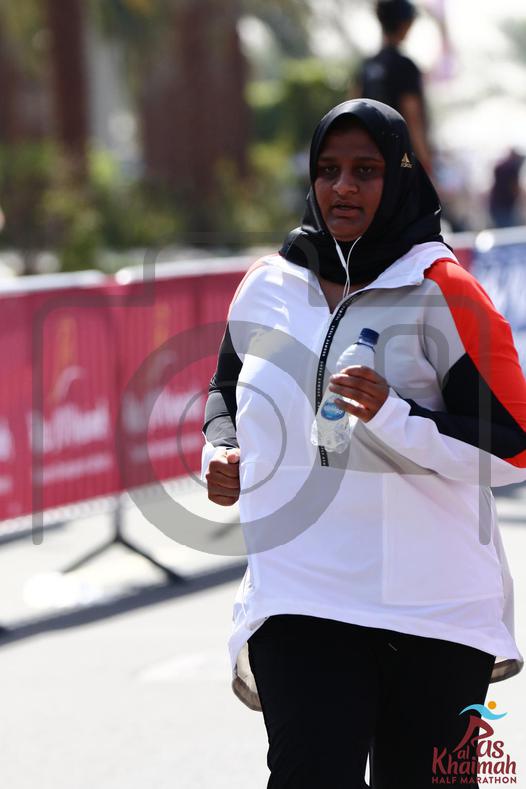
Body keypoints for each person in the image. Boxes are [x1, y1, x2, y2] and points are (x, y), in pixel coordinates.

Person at [201, 99, 526, 787]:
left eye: (366, 170)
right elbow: (225, 390)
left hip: (433, 608)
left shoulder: (444, 290)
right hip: (299, 597)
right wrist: (220, 450)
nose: (342, 187)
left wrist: (394, 415)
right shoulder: (266, 285)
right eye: (328, 169)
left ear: (401, 177)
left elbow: (513, 447)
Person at [356, 0, 432, 175]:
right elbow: (412, 118)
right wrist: (425, 161)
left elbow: (354, 105)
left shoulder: (367, 66)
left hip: (370, 155)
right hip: (399, 155)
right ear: (404, 24)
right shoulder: (405, 65)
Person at [488, 148, 525, 229]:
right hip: (504, 206)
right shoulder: (512, 168)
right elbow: (514, 187)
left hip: (496, 205)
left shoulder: (500, 166)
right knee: (507, 228)